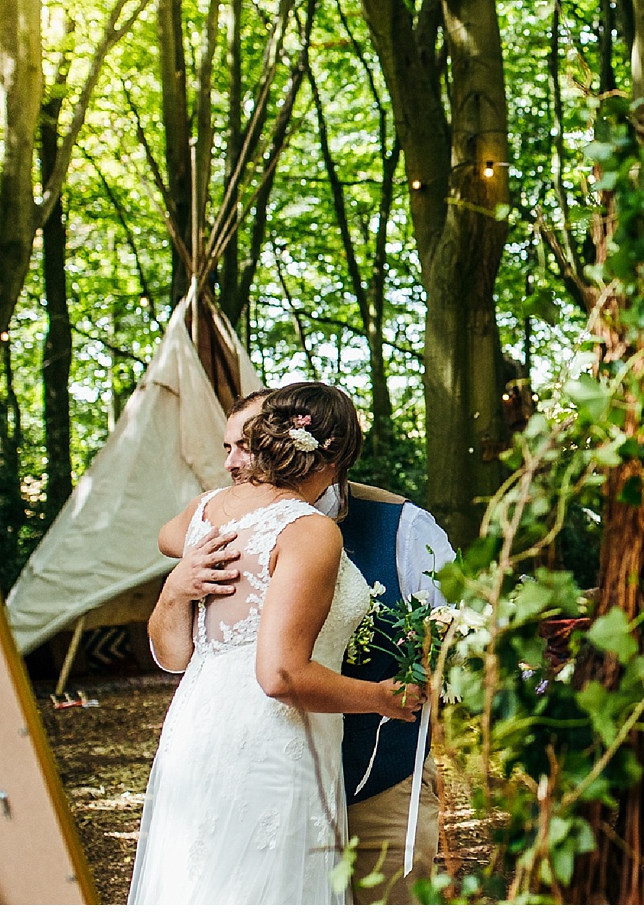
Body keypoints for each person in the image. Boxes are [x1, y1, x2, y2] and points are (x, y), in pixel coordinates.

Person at [129, 383, 421, 904]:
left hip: (197, 731)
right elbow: (280, 675)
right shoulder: (307, 530)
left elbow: (166, 542)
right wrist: (383, 698)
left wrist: (185, 563)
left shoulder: (208, 512)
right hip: (273, 743)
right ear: (334, 459)